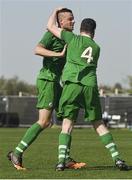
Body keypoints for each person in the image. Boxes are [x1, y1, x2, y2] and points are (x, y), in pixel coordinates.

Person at [47, 8, 129, 171]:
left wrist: (55, 11)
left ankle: (61, 161)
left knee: (67, 124)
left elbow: (49, 26)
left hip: (72, 84)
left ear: (80, 29)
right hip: (90, 86)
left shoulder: (73, 38)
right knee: (98, 123)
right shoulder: (97, 48)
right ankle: (118, 159)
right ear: (93, 32)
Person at [7, 8, 86, 170]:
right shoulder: (52, 34)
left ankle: (65, 159)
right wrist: (58, 55)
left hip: (57, 83)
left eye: (74, 19)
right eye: (70, 19)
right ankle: (17, 153)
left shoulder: (69, 37)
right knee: (44, 121)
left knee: (67, 118)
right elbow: (37, 49)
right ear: (61, 22)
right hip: (47, 80)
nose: (73, 21)